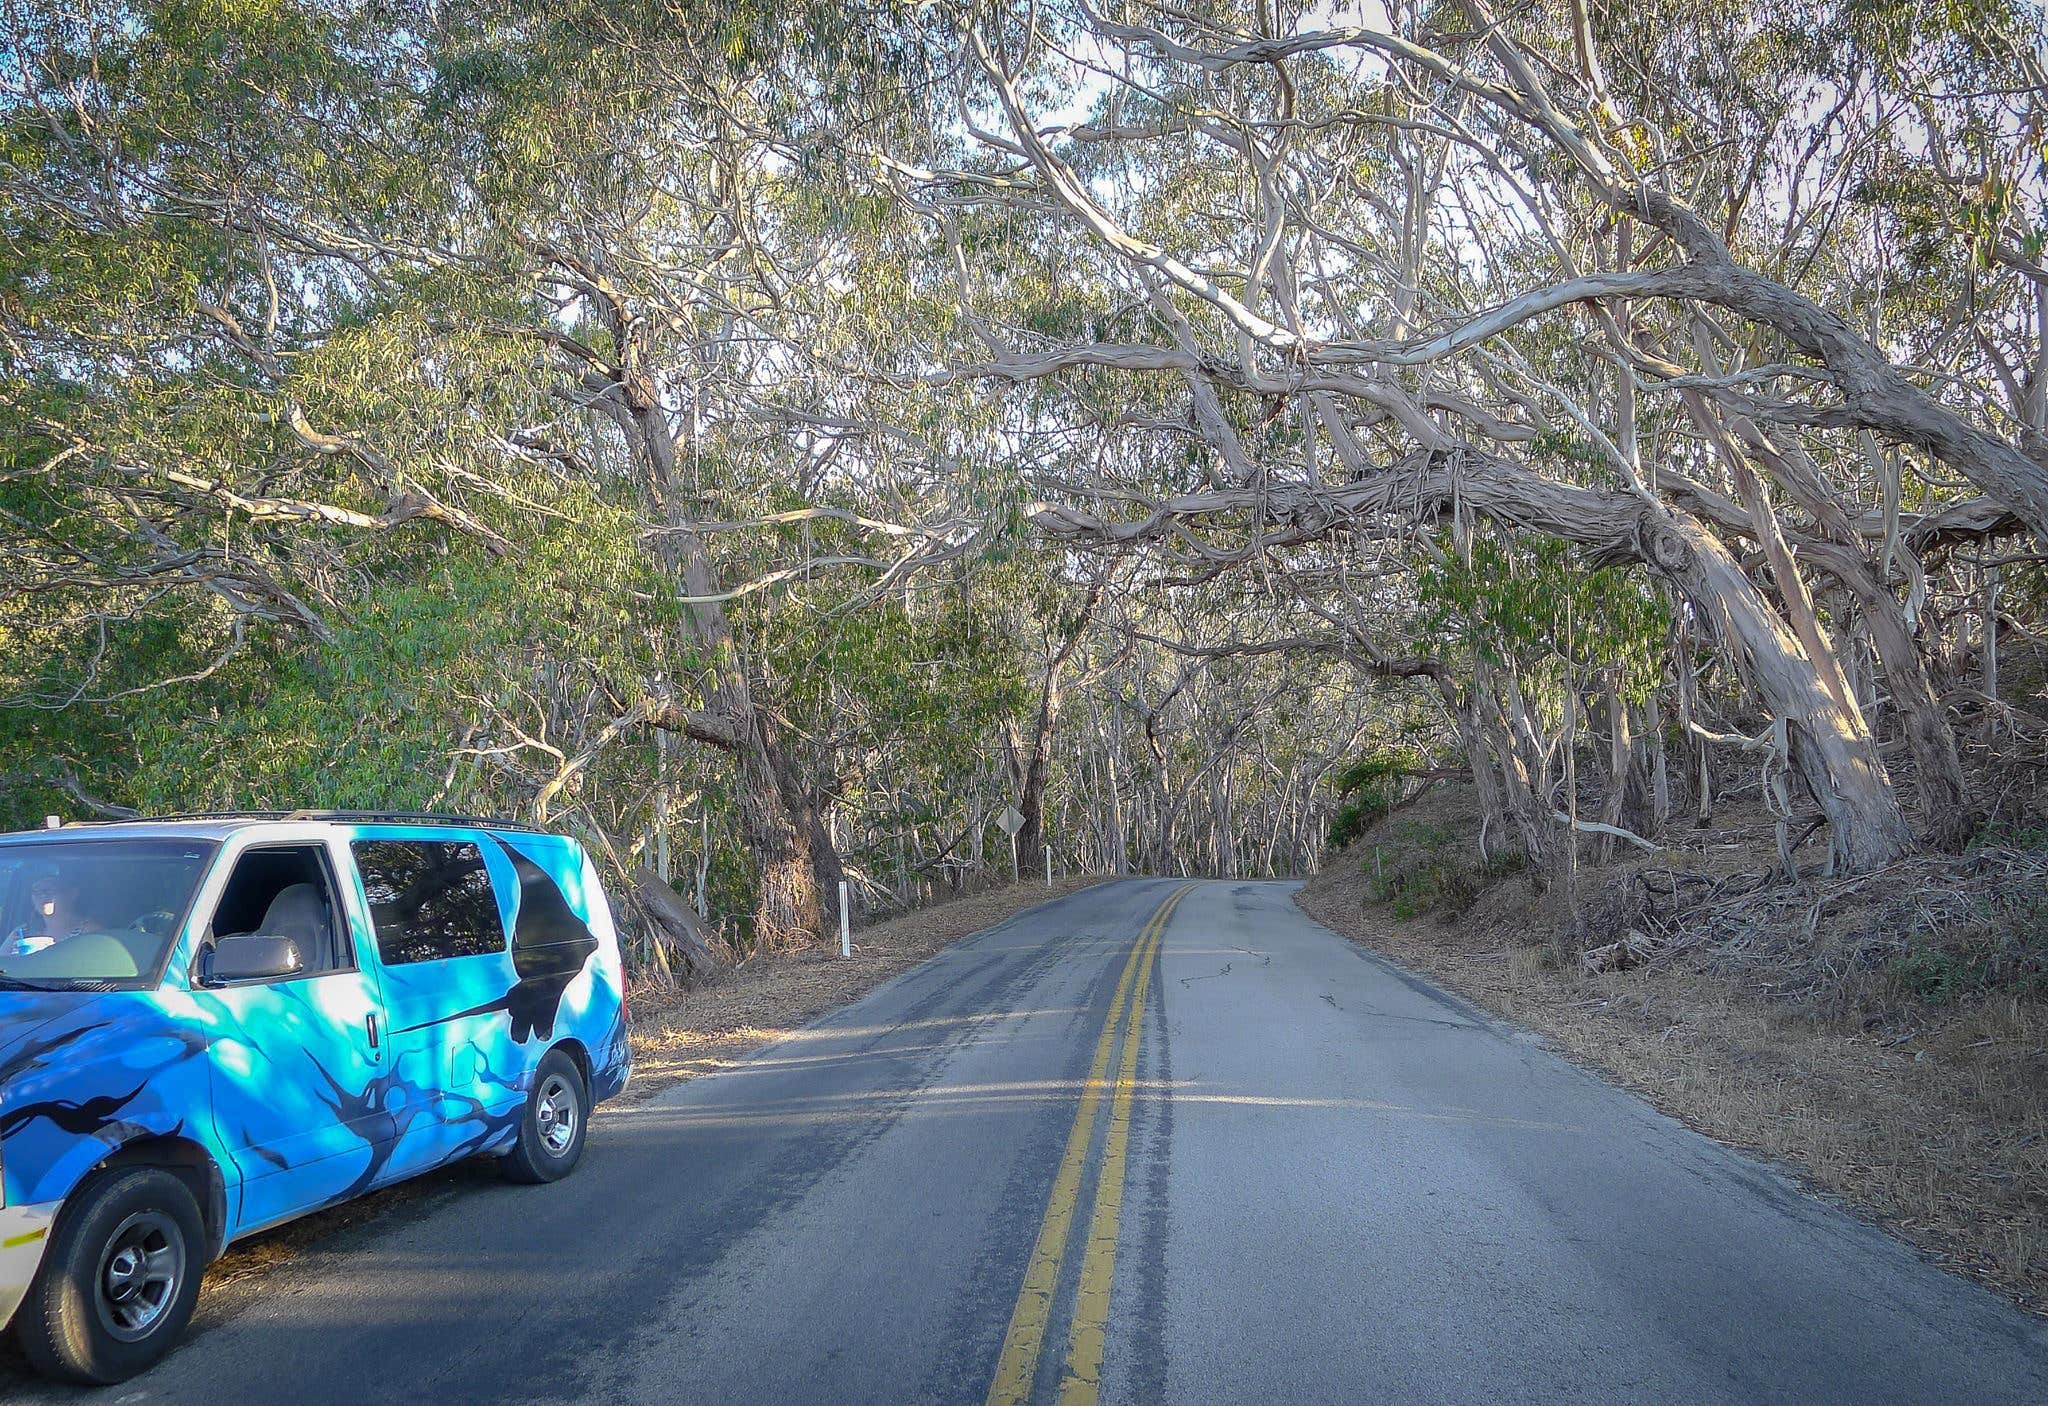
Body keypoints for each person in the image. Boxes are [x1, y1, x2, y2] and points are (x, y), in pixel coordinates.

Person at [3, 866, 94, 958]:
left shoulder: (88, 932)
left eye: (49, 890)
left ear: (72, 893)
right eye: (36, 891)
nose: (43, 895)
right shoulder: (21, 932)